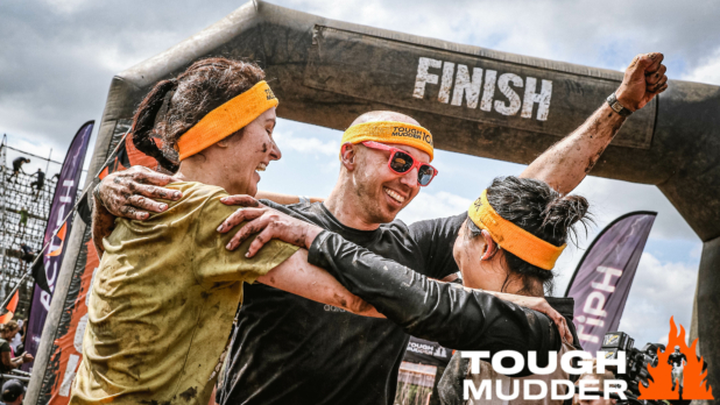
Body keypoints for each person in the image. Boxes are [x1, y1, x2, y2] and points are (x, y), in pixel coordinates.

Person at [96, 52, 668, 404]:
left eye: (424, 171)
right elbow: (162, 222)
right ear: (349, 156)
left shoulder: (409, 246)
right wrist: (101, 196)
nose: (412, 181)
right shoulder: (274, 224)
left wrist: (617, 107)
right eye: (398, 161)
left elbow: (527, 191)